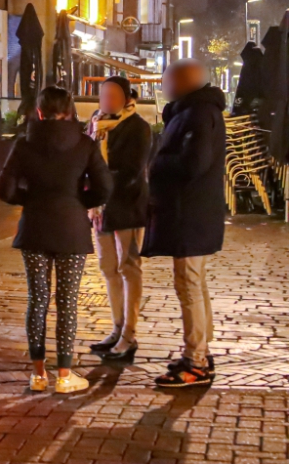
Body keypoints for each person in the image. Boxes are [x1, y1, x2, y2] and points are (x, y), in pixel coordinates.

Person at [0, 86, 112, 394]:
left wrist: (30, 198)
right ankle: (64, 373)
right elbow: (104, 187)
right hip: (72, 230)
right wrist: (78, 201)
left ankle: (37, 374)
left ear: (39, 112)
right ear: (70, 110)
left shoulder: (24, 144)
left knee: (38, 300)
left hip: (34, 227)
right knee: (67, 302)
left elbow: (4, 189)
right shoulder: (85, 145)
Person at [143, 60, 226, 388]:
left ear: (180, 82)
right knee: (194, 283)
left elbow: (194, 162)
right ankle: (199, 349)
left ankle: (197, 361)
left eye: (166, 79)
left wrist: (157, 164)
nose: (162, 85)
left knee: (189, 284)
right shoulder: (197, 112)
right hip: (194, 214)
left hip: (190, 215)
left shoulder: (197, 114)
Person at [86, 76, 152, 361]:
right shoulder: (94, 124)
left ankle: (129, 333)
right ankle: (115, 328)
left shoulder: (138, 127)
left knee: (128, 267)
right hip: (100, 209)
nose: (107, 101)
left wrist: (101, 185)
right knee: (108, 267)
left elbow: (133, 170)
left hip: (127, 205)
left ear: (127, 98)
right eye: (103, 95)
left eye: (113, 95)